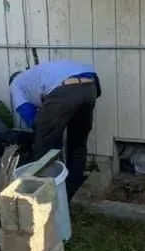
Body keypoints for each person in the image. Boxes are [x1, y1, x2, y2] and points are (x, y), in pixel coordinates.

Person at [9, 59, 100, 199]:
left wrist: (45, 130)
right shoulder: (39, 75)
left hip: (65, 89)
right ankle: (73, 189)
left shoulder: (16, 83)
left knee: (43, 144)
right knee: (77, 142)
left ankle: (46, 195)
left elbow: (29, 116)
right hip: (90, 85)